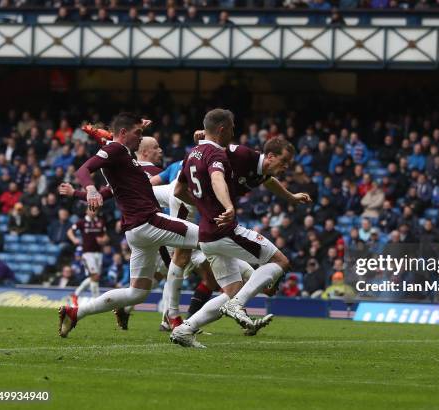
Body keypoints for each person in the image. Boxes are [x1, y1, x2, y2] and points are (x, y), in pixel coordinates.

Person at [57, 112, 199, 338]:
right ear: (123, 133)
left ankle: (75, 312)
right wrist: (90, 189)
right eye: (138, 134)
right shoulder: (115, 150)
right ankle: (177, 318)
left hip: (136, 231)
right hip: (149, 221)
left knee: (137, 293)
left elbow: (113, 144)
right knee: (207, 237)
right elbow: (83, 169)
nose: (141, 138)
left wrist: (137, 126)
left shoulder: (122, 155)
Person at [171, 109, 301, 348]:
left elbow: (179, 191)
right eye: (231, 128)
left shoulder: (194, 154)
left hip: (207, 233)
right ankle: (237, 304)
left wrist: (290, 197)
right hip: (224, 229)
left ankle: (185, 329)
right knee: (280, 262)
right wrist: (226, 206)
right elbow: (217, 177)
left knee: (231, 290)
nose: (234, 133)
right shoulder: (229, 153)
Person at [67, 208, 109, 305]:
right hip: (87, 253)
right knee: (95, 275)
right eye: (91, 210)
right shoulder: (81, 222)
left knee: (95, 277)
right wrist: (74, 240)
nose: (93, 212)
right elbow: (69, 231)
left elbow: (106, 236)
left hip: (98, 253)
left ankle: (75, 294)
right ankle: (97, 301)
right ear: (86, 211)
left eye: (95, 210)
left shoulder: (100, 222)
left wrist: (103, 240)